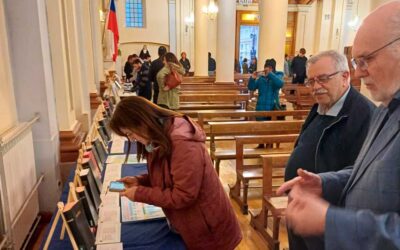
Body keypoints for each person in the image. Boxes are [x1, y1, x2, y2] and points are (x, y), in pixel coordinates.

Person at [277, 2, 400, 249]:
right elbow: (364, 171)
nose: (359, 74)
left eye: (367, 59)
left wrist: (331, 221)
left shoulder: (367, 110)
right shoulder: (386, 108)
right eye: (357, 62)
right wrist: (326, 181)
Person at [109, 96, 242, 249]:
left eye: (130, 134)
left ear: (141, 122)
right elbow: (169, 175)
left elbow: (184, 195)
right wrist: (140, 181)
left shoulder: (182, 144)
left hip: (209, 227)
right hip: (194, 221)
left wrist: (140, 193)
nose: (132, 140)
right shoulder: (159, 135)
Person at [284, 50, 375, 250]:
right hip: (303, 208)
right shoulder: (320, 106)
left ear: (345, 77)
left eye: (323, 79)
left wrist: (329, 214)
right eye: (311, 81)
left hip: (326, 217)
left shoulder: (365, 115)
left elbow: (361, 175)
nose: (316, 87)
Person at [248, 59, 284, 148]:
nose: (267, 70)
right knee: (260, 127)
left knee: (270, 128)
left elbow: (280, 84)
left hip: (272, 106)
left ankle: (269, 144)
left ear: (272, 68)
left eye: (269, 68)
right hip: (260, 106)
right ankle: (261, 143)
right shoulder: (261, 78)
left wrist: (270, 75)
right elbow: (251, 87)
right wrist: (252, 78)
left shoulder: (278, 75)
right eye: (266, 68)